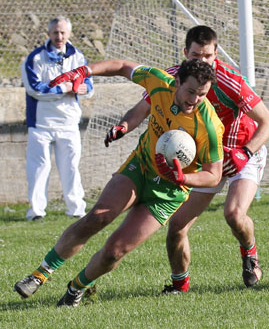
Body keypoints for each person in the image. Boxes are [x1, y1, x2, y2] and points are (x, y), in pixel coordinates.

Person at [14, 58, 224, 307]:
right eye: (190, 91)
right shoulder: (159, 81)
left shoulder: (209, 125)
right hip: (140, 168)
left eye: (202, 94)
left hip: (168, 192)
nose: (195, 100)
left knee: (116, 251)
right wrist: (85, 70)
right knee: (97, 217)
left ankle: (76, 288)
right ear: (176, 81)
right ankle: (40, 274)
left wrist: (183, 178)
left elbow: (214, 174)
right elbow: (123, 67)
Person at [104, 25, 269, 291]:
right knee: (177, 226)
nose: (202, 62)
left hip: (242, 153)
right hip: (205, 161)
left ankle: (249, 253)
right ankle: (179, 284)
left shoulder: (231, 81)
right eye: (196, 56)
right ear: (186, 54)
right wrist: (124, 126)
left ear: (216, 54)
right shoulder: (173, 79)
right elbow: (143, 109)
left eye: (207, 56)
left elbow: (268, 122)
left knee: (233, 214)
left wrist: (245, 152)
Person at [20, 16, 94, 221]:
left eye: (63, 32)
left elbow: (89, 85)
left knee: (71, 167)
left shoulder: (78, 57)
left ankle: (76, 209)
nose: (59, 36)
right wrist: (64, 88)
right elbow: (34, 89)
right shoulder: (34, 58)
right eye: (55, 33)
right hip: (41, 124)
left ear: (69, 33)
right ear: (48, 34)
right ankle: (36, 211)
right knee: (38, 169)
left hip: (69, 123)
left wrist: (82, 88)